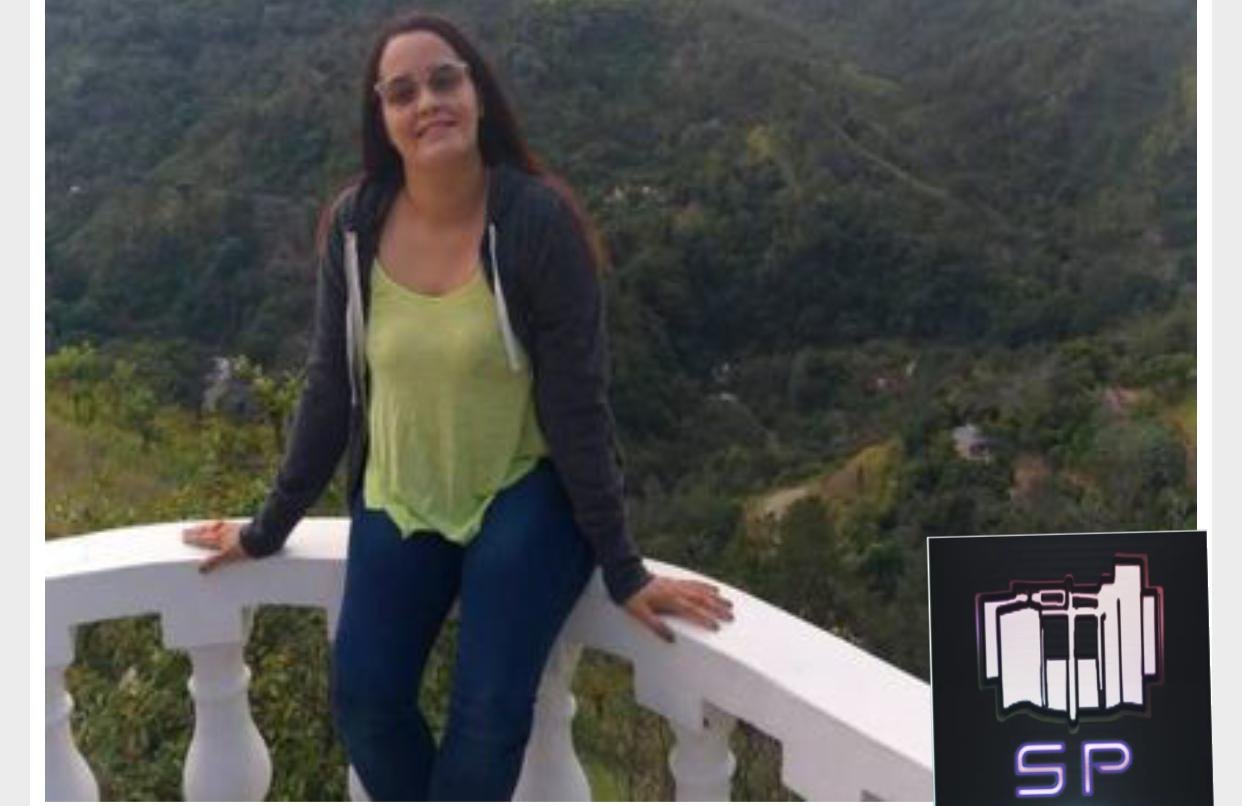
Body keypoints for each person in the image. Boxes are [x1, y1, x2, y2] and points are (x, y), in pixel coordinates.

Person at [180, 10, 734, 801]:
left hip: (522, 491)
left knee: (487, 715)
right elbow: (330, 387)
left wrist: (623, 567)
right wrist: (267, 528)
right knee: (366, 703)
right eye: (402, 92)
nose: (428, 102)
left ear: (477, 94)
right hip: (402, 493)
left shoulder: (535, 224)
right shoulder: (354, 229)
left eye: (445, 80)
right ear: (382, 117)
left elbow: (579, 406)